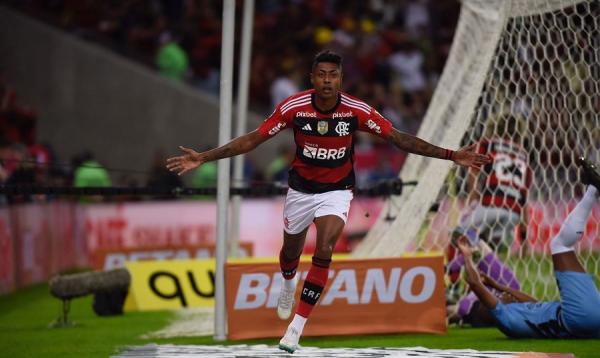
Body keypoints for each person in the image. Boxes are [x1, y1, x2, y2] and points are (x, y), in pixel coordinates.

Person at [166, 50, 490, 352]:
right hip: (300, 191)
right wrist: (204, 158)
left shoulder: (356, 111)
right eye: (321, 75)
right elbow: (254, 138)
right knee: (290, 252)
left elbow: (398, 138)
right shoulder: (293, 108)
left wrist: (451, 155)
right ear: (312, 78)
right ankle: (289, 283)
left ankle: (296, 327)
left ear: (340, 79)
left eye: (332, 75)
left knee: (324, 248)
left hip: (337, 191)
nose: (326, 81)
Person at [455, 157, 600, 338]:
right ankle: (593, 189)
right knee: (559, 245)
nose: (503, 296)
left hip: (585, 324)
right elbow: (475, 283)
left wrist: (497, 285)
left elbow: (533, 302)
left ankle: (593, 188)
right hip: (577, 316)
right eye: (496, 298)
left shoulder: (518, 317)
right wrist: (466, 255)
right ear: (490, 306)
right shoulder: (504, 317)